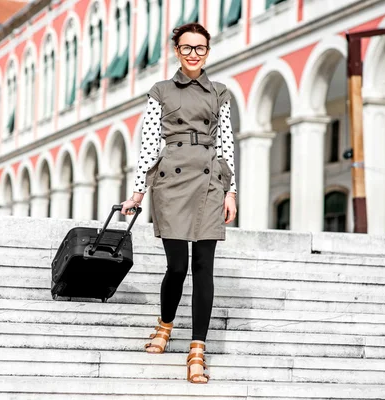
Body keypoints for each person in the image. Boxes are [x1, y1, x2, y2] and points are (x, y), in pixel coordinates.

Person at [120, 22, 237, 384]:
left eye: (200, 48)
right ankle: (165, 325)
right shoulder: (160, 91)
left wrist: (231, 191)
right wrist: (138, 191)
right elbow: (150, 142)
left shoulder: (220, 93)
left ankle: (197, 349)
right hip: (170, 182)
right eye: (186, 48)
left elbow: (228, 144)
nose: (193, 55)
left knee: (204, 266)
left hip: (208, 181)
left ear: (207, 51)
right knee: (177, 267)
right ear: (176, 50)